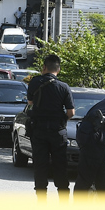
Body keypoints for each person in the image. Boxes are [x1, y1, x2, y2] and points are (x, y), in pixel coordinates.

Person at [25, 54, 74, 199]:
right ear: (58, 69)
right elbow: (71, 112)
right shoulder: (64, 87)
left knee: (40, 165)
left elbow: (30, 103)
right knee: (60, 165)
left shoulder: (35, 82)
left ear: (44, 67)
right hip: (57, 131)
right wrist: (60, 120)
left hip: (39, 130)